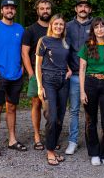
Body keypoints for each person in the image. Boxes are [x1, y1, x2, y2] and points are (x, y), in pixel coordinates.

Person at [0, 0, 26, 157]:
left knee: (12, 107)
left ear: (15, 11)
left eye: (12, 8)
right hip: (0, 74)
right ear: (2, 10)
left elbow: (24, 50)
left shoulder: (20, 29)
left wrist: (22, 67)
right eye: (7, 8)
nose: (10, 10)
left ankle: (12, 140)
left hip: (16, 75)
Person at [78, 17, 104, 166]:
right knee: (91, 120)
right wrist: (82, 91)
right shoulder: (87, 46)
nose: (100, 29)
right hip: (90, 83)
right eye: (96, 27)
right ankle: (94, 153)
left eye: (102, 26)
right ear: (93, 30)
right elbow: (82, 69)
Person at [35, 14, 72, 166]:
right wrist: (39, 85)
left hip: (64, 81)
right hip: (48, 81)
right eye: (56, 24)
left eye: (61, 25)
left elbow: (64, 60)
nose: (58, 27)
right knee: (51, 116)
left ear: (64, 27)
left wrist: (69, 70)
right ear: (51, 25)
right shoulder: (43, 41)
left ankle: (53, 147)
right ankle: (50, 151)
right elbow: (38, 64)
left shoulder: (65, 41)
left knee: (60, 117)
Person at [22, 0, 53, 150]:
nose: (45, 11)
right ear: (37, 10)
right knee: (36, 104)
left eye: (47, 8)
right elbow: (25, 53)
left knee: (52, 107)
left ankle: (51, 137)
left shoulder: (55, 28)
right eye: (42, 8)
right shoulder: (31, 30)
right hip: (37, 73)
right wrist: (31, 74)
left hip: (53, 74)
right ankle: (36, 136)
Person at [65, 0, 93, 155]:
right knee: (74, 110)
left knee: (92, 110)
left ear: (89, 9)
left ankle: (91, 140)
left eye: (86, 6)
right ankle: (73, 141)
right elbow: (63, 50)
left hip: (92, 75)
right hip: (74, 75)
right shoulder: (67, 26)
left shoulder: (97, 25)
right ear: (76, 9)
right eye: (80, 6)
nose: (83, 9)